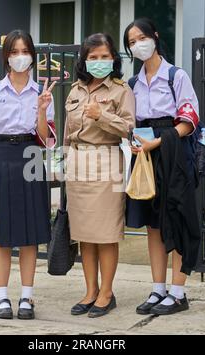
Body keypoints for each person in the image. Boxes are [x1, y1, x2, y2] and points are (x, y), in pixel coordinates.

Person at [0, 29, 57, 320]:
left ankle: (26, 297)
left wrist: (42, 111)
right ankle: (1, 298)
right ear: (6, 56)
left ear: (32, 55)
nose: (20, 57)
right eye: (14, 52)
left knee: (31, 234)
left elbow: (45, 140)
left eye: (24, 51)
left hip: (31, 157)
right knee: (2, 236)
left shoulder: (42, 93)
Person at [124, 18, 201, 316]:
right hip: (143, 156)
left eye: (141, 37)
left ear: (155, 36)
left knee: (177, 218)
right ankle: (158, 288)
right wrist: (133, 142)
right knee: (152, 224)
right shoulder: (133, 83)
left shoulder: (175, 76)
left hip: (173, 153)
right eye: (131, 42)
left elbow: (189, 120)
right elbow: (132, 123)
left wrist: (159, 142)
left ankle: (178, 293)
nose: (138, 44)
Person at [64, 33, 135, 318]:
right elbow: (69, 132)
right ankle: (90, 290)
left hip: (107, 161)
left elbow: (129, 129)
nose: (99, 62)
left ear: (114, 59)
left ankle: (107, 293)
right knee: (85, 234)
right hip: (77, 163)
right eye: (93, 57)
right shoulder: (75, 90)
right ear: (84, 60)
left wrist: (100, 115)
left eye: (105, 56)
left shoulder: (121, 90)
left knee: (105, 233)